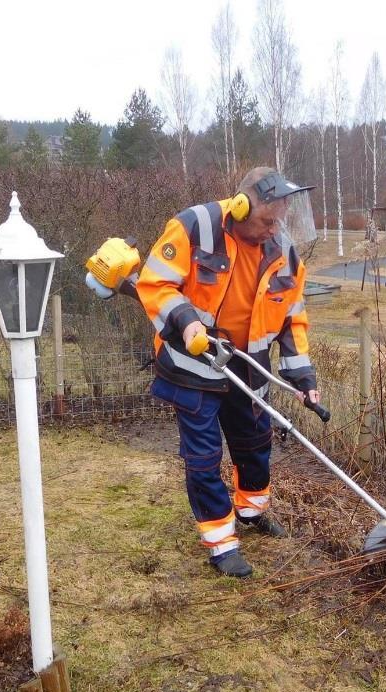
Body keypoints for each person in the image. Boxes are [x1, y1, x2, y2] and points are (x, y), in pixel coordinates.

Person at [136, 167, 321, 578]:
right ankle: (221, 542)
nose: (272, 230)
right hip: (194, 364)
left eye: (279, 221)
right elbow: (156, 284)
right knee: (204, 457)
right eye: (266, 221)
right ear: (240, 208)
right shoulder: (194, 227)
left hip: (249, 367)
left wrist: (303, 378)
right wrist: (185, 321)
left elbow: (292, 317)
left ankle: (252, 511)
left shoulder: (282, 251)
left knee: (255, 444)